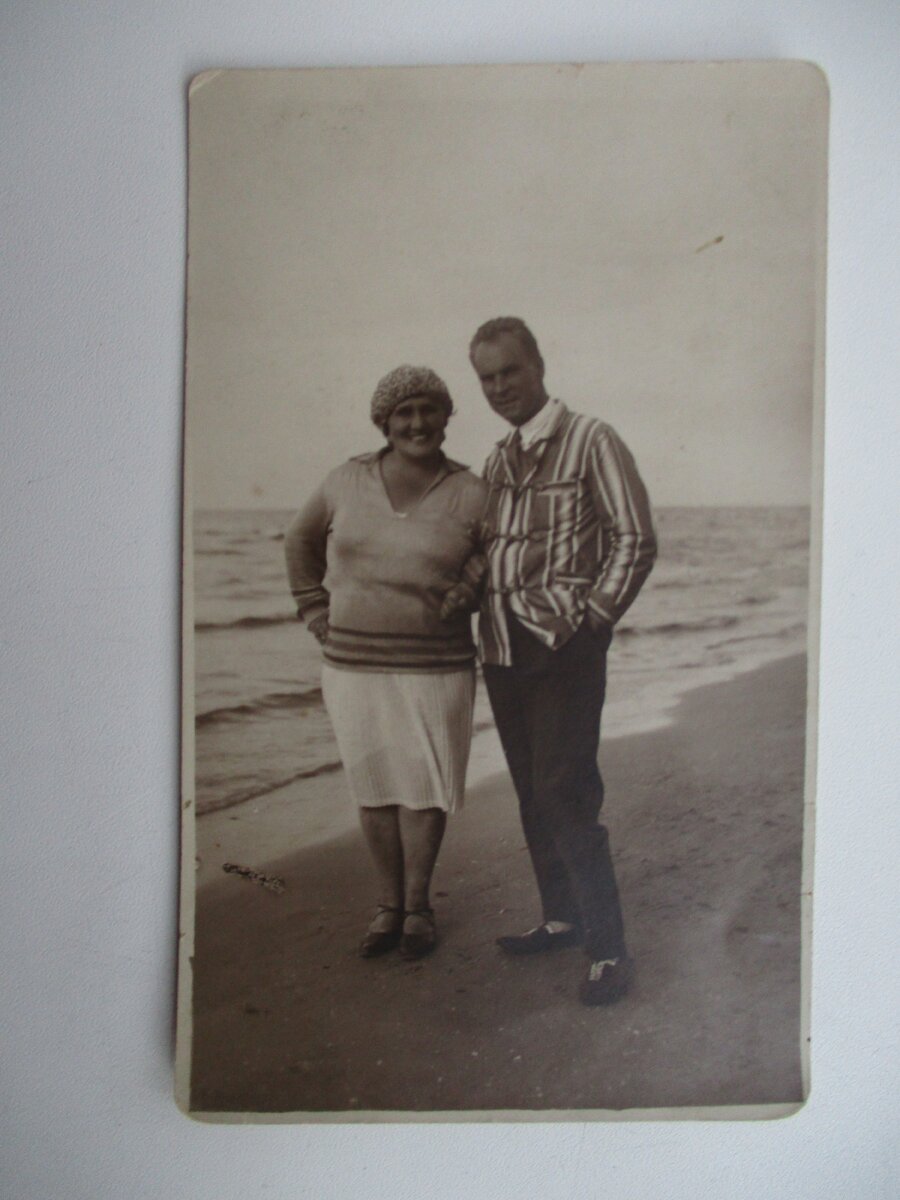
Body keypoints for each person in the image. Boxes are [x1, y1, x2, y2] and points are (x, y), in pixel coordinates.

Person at [469, 317, 657, 1005]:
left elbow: (634, 538)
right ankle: (562, 917)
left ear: (538, 366)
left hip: (563, 647)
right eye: (486, 378)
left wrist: (594, 621)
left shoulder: (591, 438)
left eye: (509, 372)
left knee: (564, 790)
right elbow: (489, 552)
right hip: (501, 647)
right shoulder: (497, 460)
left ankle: (609, 951)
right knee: (530, 791)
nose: (499, 387)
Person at [284, 365, 487, 961]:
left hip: (438, 665)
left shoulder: (473, 490)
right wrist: (313, 609)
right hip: (352, 666)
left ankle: (419, 906)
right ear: (384, 421)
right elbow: (298, 542)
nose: (418, 423)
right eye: (404, 412)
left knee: (424, 787)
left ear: (446, 416)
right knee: (373, 786)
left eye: (429, 409)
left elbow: (500, 553)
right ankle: (388, 904)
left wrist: (471, 585)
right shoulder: (345, 479)